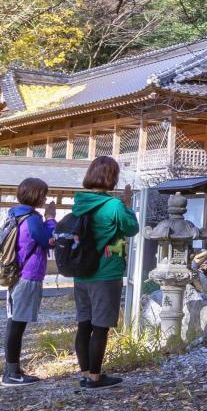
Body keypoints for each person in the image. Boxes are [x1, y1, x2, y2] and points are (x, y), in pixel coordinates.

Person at [71, 155, 139, 390]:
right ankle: (96, 377)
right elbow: (132, 229)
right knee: (100, 326)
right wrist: (127, 206)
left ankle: (85, 373)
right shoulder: (114, 206)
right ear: (112, 177)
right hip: (106, 271)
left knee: (84, 324)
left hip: (81, 272)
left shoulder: (79, 202)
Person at [3, 177, 55, 386]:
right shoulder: (32, 219)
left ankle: (13, 370)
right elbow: (49, 240)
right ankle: (12, 373)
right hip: (28, 274)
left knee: (15, 322)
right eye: (44, 193)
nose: (45, 197)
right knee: (17, 324)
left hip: (16, 273)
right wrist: (50, 218)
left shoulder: (15, 215)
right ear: (37, 194)